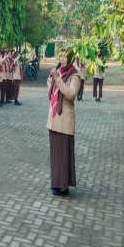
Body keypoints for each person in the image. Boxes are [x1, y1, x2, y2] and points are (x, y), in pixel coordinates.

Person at [47, 49, 80, 196]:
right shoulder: (58, 72)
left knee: (64, 154)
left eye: (65, 57)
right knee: (56, 155)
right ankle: (56, 183)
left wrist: (58, 79)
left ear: (71, 59)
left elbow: (71, 94)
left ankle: (64, 186)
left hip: (65, 121)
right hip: (54, 119)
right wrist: (51, 80)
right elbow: (51, 92)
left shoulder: (74, 76)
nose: (62, 59)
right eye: (60, 57)